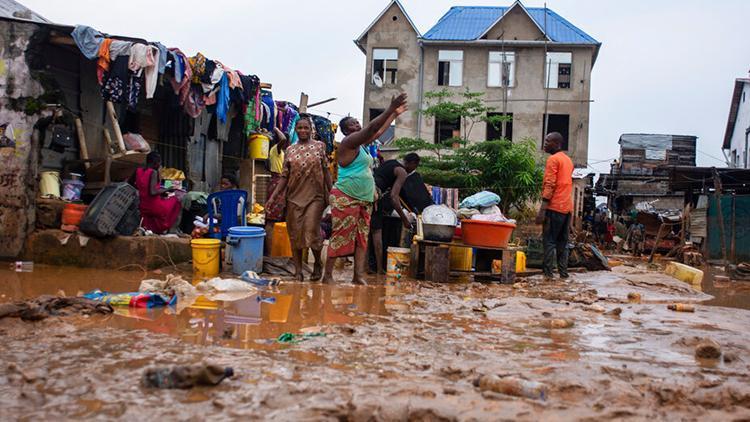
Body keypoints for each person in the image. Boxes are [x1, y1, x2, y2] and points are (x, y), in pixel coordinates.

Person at [322, 93, 408, 284]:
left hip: (364, 198)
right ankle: (327, 276)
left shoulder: (360, 147)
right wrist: (390, 107)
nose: (357, 125)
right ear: (345, 131)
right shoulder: (348, 143)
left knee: (362, 238)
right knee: (341, 236)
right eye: (353, 124)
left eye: (357, 123)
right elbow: (372, 127)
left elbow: (376, 133)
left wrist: (394, 114)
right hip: (346, 195)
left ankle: (358, 276)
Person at [266, 117, 331, 281]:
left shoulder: (319, 146)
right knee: (295, 234)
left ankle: (317, 263)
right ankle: (298, 271)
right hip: (294, 197)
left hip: (316, 196)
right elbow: (284, 177)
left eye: (306, 128)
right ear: (295, 129)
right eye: (299, 128)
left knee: (311, 229)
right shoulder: (290, 150)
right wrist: (273, 198)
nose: (303, 131)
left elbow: (326, 172)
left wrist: (331, 193)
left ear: (311, 130)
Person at [371, 153, 420, 273]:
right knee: (377, 233)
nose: (414, 169)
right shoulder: (402, 172)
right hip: (374, 196)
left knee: (366, 233)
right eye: (416, 166)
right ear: (412, 163)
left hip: (366, 190)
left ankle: (365, 267)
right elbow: (394, 197)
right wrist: (404, 220)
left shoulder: (390, 162)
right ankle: (379, 269)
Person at [535, 132, 574, 280]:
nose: (545, 143)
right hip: (566, 208)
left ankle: (548, 275)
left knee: (549, 242)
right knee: (562, 243)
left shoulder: (553, 159)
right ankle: (564, 274)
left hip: (554, 207)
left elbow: (550, 184)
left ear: (557, 144)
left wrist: (542, 210)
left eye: (548, 141)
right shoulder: (568, 160)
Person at [134, 151, 182, 234]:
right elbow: (152, 192)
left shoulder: (138, 171)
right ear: (155, 163)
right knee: (176, 201)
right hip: (154, 207)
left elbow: (133, 184)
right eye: (160, 162)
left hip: (143, 206)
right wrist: (168, 189)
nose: (160, 165)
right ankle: (172, 229)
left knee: (165, 200)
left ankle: (153, 230)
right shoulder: (153, 172)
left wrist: (144, 191)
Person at [264, 128, 290, 255]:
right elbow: (284, 139)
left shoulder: (283, 153)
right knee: (272, 220)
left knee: (279, 220)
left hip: (282, 183)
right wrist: (274, 127)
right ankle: (270, 254)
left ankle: (279, 252)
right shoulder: (276, 150)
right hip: (277, 183)